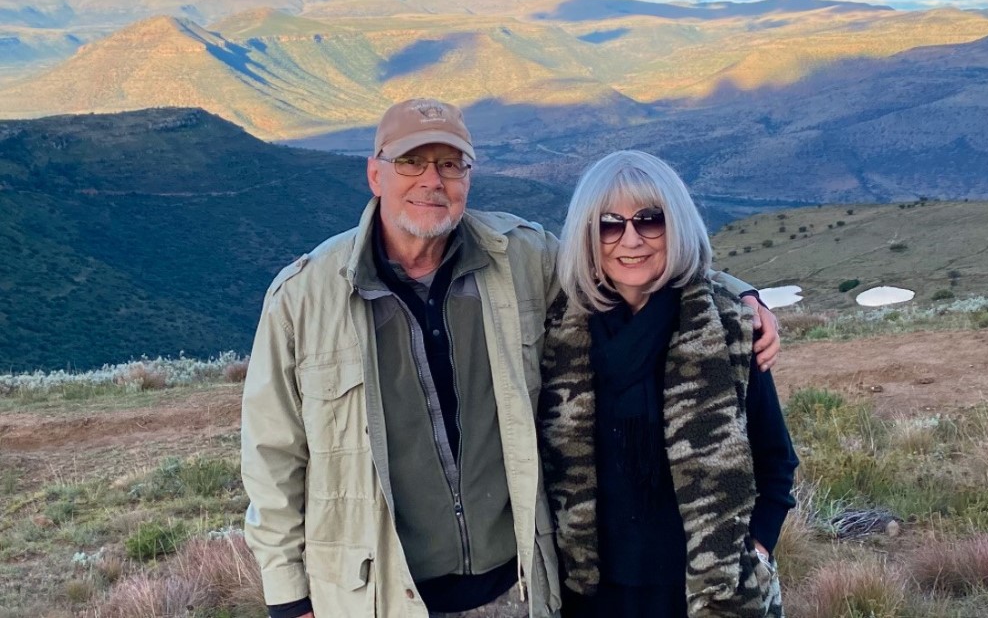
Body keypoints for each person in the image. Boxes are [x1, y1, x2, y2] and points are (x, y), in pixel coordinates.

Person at [241, 100, 782, 618]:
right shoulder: (303, 298)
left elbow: (631, 267)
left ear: (468, 178)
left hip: (518, 587)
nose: (433, 180)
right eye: (411, 162)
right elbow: (273, 457)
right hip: (378, 594)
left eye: (451, 164)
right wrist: (289, 597)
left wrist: (740, 298)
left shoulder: (518, 258)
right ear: (375, 174)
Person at [537, 150, 798, 618]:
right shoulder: (556, 333)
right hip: (591, 593)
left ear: (675, 224)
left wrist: (756, 551)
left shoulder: (727, 325)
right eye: (609, 224)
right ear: (587, 235)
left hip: (707, 591)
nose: (630, 239)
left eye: (649, 220)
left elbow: (776, 459)